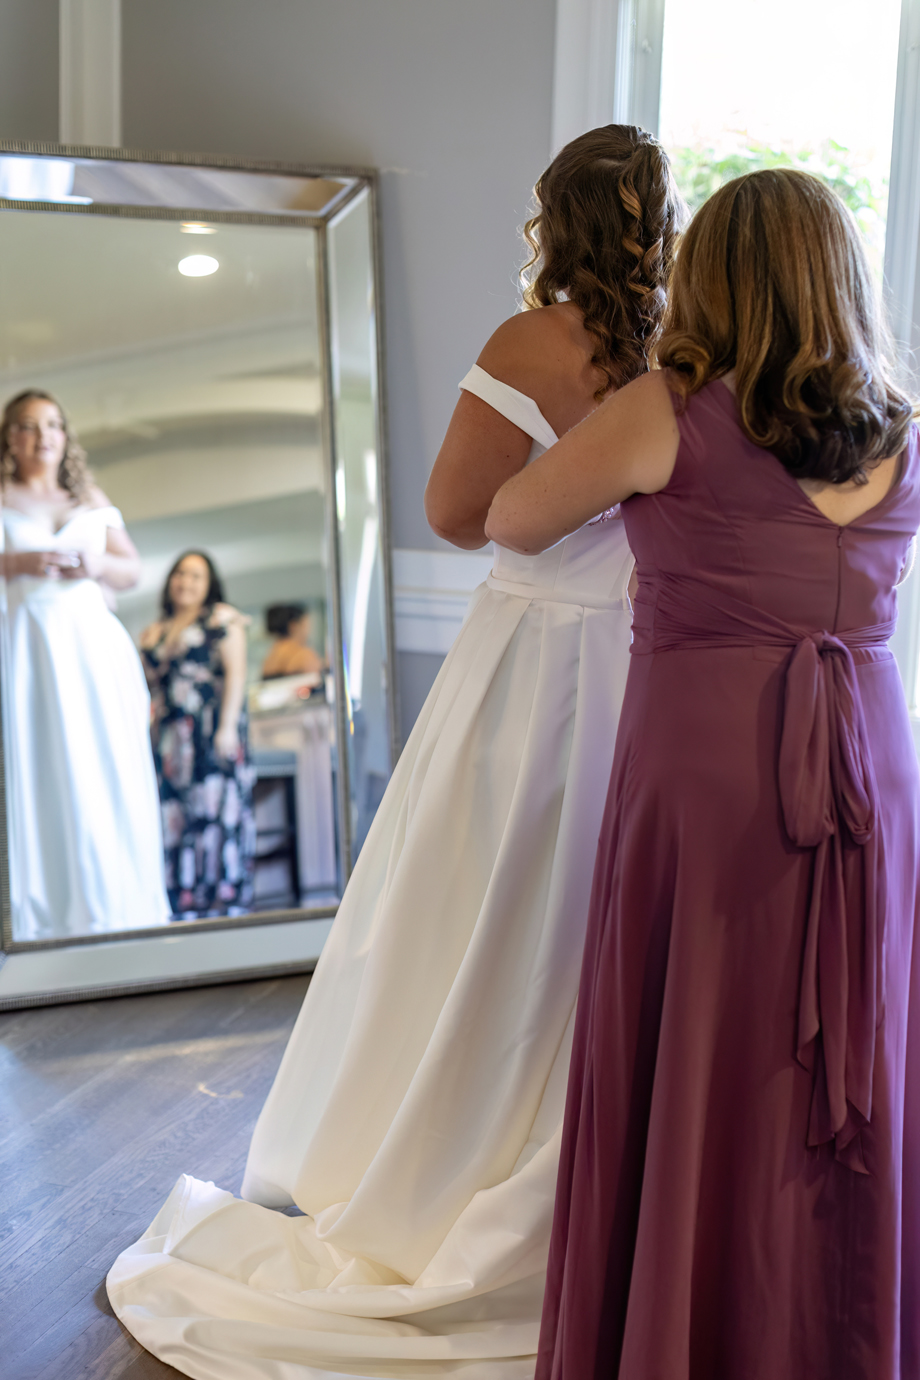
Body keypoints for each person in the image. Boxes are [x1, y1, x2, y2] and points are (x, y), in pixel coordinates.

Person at [107, 126, 685, 1376]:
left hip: (532, 671)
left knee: (477, 901)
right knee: (588, 914)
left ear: (555, 220)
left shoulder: (528, 342)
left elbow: (453, 514)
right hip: (646, 668)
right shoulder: (690, 356)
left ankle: (427, 1153)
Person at [485, 169, 920, 1379]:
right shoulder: (899, 429)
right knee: (846, 1043)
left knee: (699, 1048)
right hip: (869, 765)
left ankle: (688, 1332)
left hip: (711, 765)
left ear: (712, 277)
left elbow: (510, 518)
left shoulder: (663, 411)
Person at [0, 389, 168, 938]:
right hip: (27, 643)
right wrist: (16, 562)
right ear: (10, 437)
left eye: (53, 424)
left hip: (92, 643)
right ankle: (46, 916)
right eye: (29, 425)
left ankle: (118, 907)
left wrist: (95, 564)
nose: (43, 436)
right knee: (41, 763)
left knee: (103, 761)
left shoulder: (88, 496)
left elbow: (131, 569)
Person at [140, 551, 256, 917]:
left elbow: (237, 674)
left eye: (195, 576)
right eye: (180, 574)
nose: (185, 582)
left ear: (209, 584)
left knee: (214, 809)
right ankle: (182, 897)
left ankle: (222, 896)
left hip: (209, 730)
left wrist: (227, 727)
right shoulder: (154, 632)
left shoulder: (222, 619)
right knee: (174, 814)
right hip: (169, 738)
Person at [260, 601, 324, 679]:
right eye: (305, 625)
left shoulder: (270, 658)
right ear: (293, 626)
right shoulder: (304, 655)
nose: (308, 632)